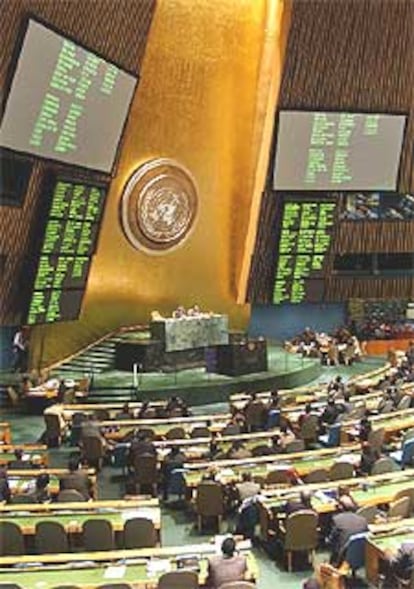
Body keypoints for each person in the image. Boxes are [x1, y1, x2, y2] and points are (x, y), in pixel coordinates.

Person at [328, 495, 368, 566]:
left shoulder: (337, 520)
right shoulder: (363, 520)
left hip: (343, 558)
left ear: (340, 507)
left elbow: (331, 541)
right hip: (361, 555)